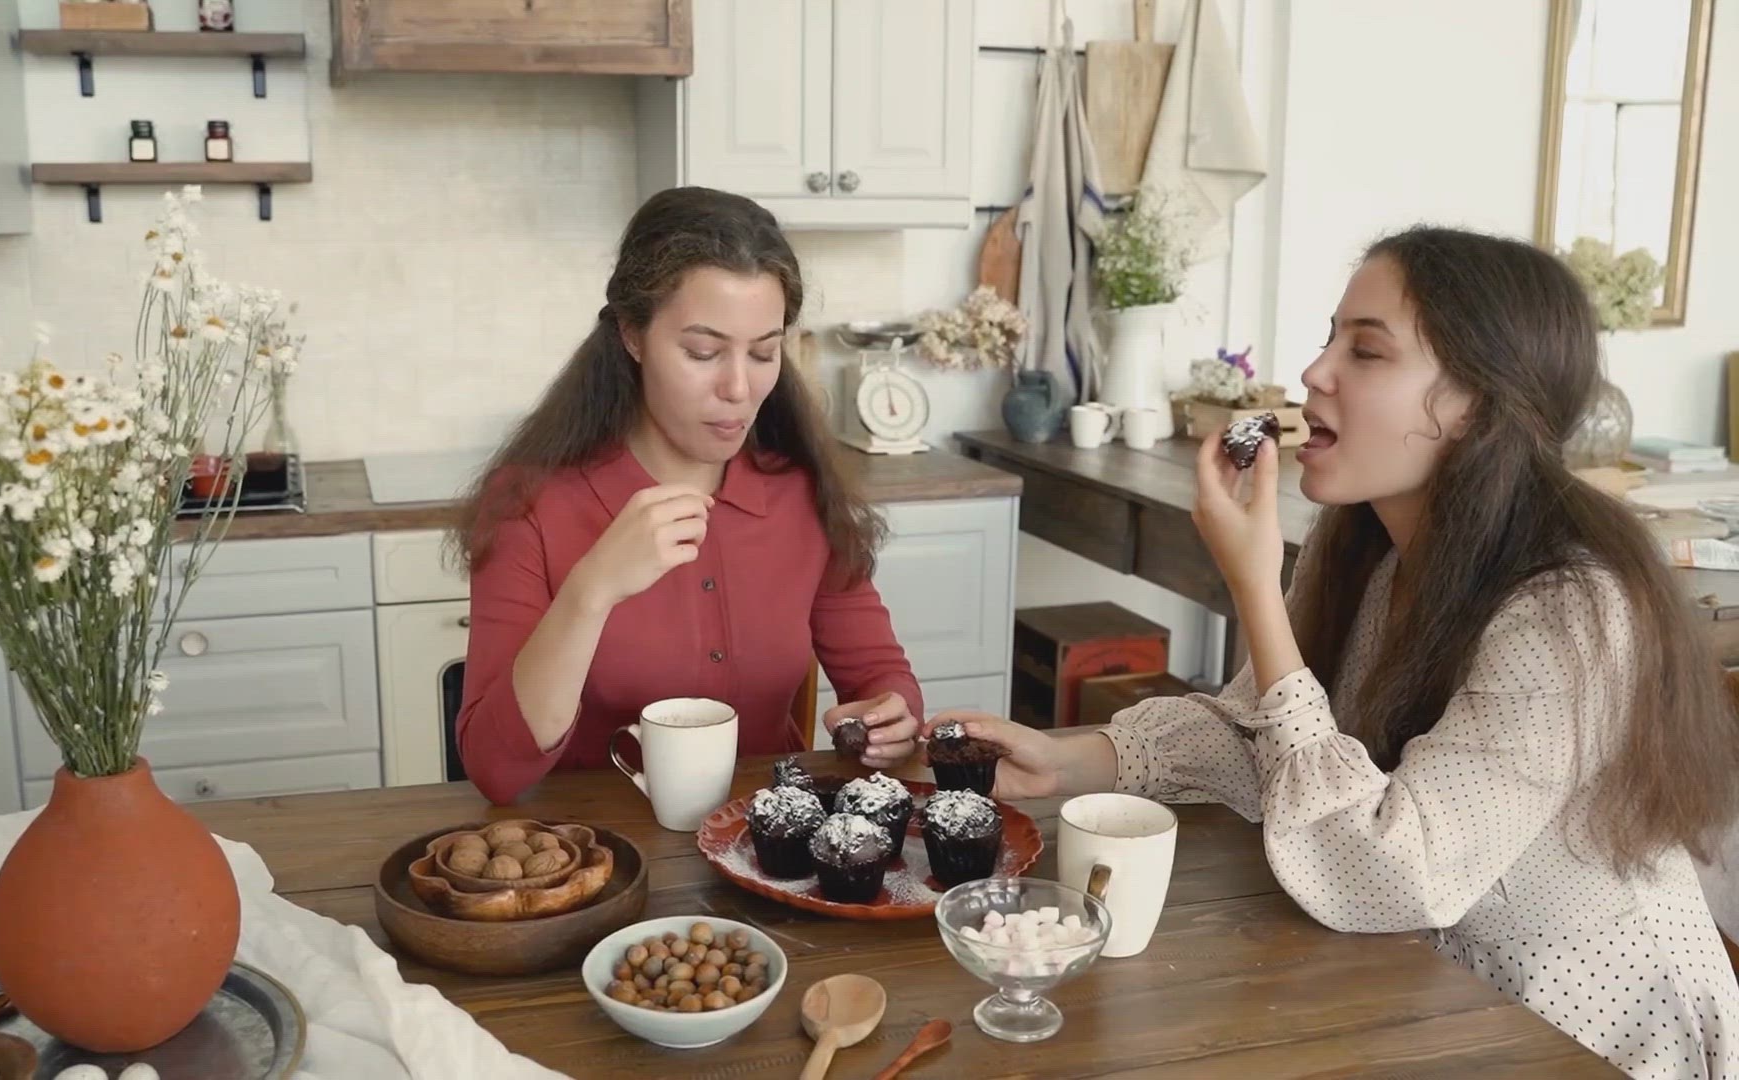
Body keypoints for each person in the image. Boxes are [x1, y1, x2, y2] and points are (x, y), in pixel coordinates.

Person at [933, 227, 1739, 1078]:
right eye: (1329, 338)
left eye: (1367, 350)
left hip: (1584, 1033)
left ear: (1474, 406)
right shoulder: (1370, 550)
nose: (1316, 371)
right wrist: (1065, 761)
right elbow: (1268, 739)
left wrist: (1252, 587)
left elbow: (1392, 872)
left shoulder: (1570, 615)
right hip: (1429, 994)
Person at [452, 186, 923, 806]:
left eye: (763, 352)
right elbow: (494, 768)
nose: (737, 388)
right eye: (703, 351)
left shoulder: (801, 493)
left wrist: (891, 721)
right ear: (632, 335)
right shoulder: (531, 501)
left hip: (765, 856)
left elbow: (882, 680)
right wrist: (591, 590)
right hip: (599, 864)